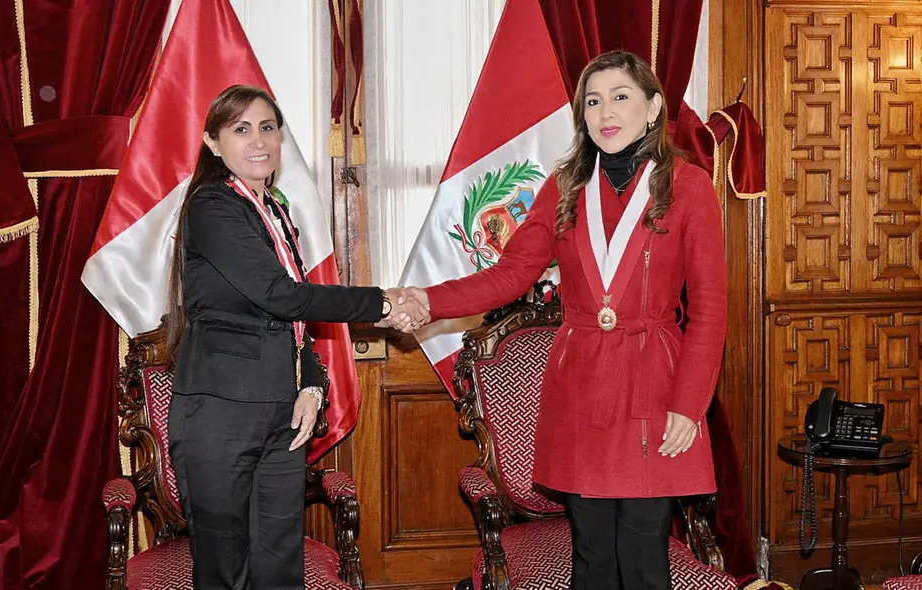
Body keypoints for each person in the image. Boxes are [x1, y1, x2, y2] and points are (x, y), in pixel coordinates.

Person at [392, 50, 727, 590]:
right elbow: (510, 275)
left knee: (645, 556)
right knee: (591, 556)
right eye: (592, 101)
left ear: (652, 108)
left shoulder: (687, 187)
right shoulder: (565, 186)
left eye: (620, 97)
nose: (605, 112)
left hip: (655, 384)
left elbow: (710, 309)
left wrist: (689, 404)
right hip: (581, 384)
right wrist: (428, 300)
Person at [165, 84, 427, 590]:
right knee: (224, 570)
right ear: (213, 143)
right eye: (241, 129)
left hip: (283, 416)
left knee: (281, 565)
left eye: (267, 128)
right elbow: (280, 296)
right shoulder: (212, 207)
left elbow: (293, 323)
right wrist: (385, 302)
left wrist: (311, 384)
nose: (258, 140)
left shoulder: (275, 212)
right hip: (220, 414)